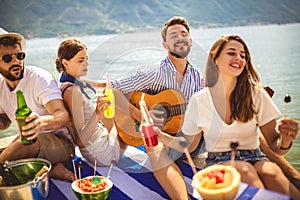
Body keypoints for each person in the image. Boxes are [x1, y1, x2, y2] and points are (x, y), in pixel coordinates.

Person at [157, 34, 300, 199]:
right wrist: (161, 136)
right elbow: (188, 145)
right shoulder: (200, 100)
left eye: (243, 55)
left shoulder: (257, 94)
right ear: (215, 59)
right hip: (219, 160)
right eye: (232, 53)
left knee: (272, 171)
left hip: (256, 155)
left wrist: (286, 139)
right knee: (246, 172)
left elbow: (275, 147)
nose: (238, 58)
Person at [110, 16, 206, 198]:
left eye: (184, 34)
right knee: (153, 143)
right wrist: (141, 116)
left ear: (190, 41)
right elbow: (112, 88)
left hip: (190, 140)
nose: (180, 38)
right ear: (165, 45)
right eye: (173, 35)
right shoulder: (154, 73)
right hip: (163, 141)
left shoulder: (199, 78)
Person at [0, 28, 75, 181]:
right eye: (7, 58)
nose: (16, 62)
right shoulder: (1, 87)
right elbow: (4, 121)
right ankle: (51, 168)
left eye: (19, 56)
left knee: (13, 152)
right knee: (21, 144)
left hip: (61, 141)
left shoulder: (39, 78)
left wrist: (39, 123)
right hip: (30, 140)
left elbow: (62, 115)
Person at [55, 39, 124, 166]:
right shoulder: (72, 91)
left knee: (112, 94)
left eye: (86, 58)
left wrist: (130, 82)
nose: (86, 64)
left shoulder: (69, 83)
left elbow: (104, 84)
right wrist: (97, 112)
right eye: (81, 61)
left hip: (96, 143)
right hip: (102, 154)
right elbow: (80, 141)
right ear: (65, 63)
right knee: (128, 121)